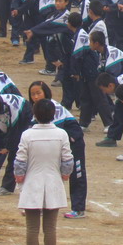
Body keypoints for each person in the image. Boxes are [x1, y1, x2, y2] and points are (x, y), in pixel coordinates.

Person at [14, 98, 74, 245]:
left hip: (33, 182)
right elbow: (68, 160)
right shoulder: (61, 134)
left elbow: (20, 161)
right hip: (53, 181)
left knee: (32, 229)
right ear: (53, 114)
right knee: (50, 228)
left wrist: (19, 178)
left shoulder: (27, 135)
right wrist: (65, 174)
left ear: (35, 114)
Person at [28, 81, 87, 219]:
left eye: (38, 93)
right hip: (53, 145)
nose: (35, 97)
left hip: (73, 143)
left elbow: (56, 131)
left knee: (76, 174)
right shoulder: (34, 111)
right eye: (32, 94)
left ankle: (78, 209)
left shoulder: (54, 108)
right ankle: (41, 206)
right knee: (44, 174)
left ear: (46, 93)